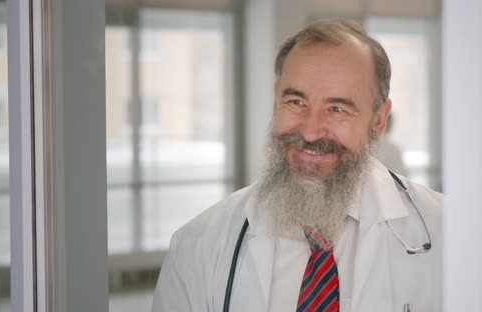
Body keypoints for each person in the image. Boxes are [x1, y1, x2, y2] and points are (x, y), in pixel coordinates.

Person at [152, 18, 442, 312]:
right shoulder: (198, 244)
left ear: (378, 121)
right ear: (276, 98)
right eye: (296, 102)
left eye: (337, 108)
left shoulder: (449, 232)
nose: (310, 131)